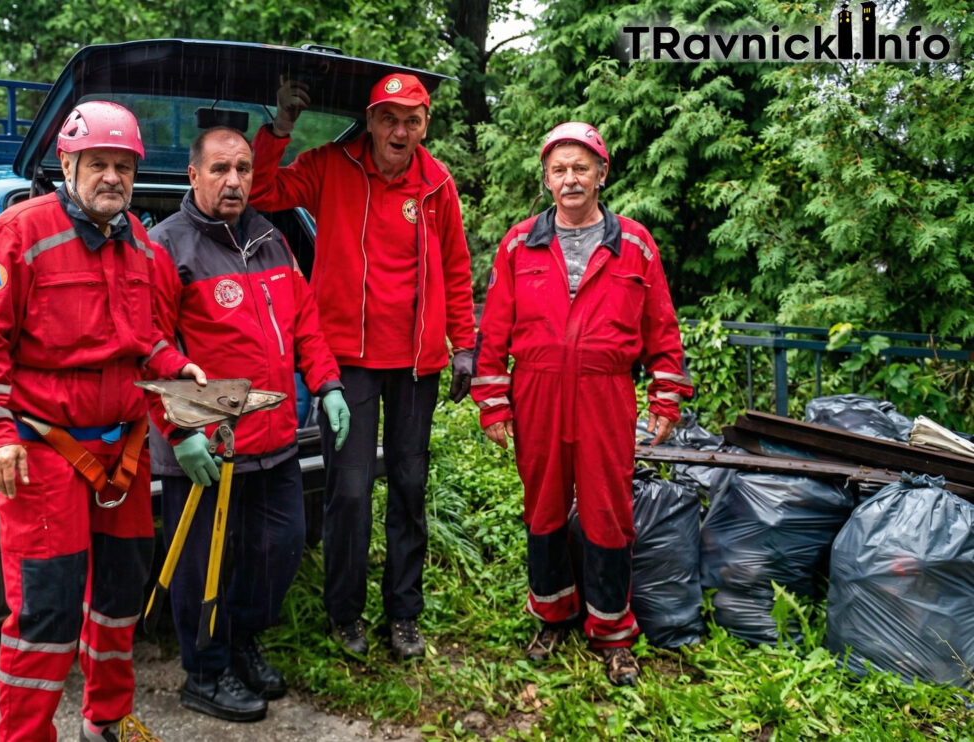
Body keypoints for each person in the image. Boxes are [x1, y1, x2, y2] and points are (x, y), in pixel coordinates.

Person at [0, 100, 200, 742]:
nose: (112, 176)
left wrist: (180, 371)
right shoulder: (19, 233)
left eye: (124, 165)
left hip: (122, 452)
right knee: (47, 610)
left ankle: (107, 723)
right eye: (99, 164)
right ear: (67, 163)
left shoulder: (140, 244)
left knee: (119, 601)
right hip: (44, 453)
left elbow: (144, 337)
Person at [249, 72, 476, 659]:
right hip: (347, 364)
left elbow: (456, 268)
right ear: (371, 121)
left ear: (425, 125)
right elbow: (260, 192)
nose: (400, 131)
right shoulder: (331, 165)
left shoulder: (437, 184)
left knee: (408, 486)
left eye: (412, 121)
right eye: (388, 119)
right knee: (348, 492)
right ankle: (344, 613)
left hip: (417, 367)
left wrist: (466, 344)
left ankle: (404, 614)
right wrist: (280, 127)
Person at [470, 122, 693, 686]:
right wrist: (494, 402)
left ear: (601, 173)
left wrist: (666, 396)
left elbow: (661, 327)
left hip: (605, 395)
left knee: (608, 514)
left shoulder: (636, 243)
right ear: (546, 179)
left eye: (580, 168)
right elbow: (493, 330)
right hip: (538, 393)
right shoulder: (519, 242)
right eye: (559, 169)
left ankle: (613, 633)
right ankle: (552, 613)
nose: (570, 179)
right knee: (543, 508)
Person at [147, 126, 350, 721]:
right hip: (208, 447)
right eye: (219, 169)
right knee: (201, 563)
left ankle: (239, 640)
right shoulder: (167, 247)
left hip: (275, 438)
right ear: (193, 175)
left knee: (280, 549)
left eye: (242, 168)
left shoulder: (271, 236)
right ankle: (204, 672)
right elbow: (151, 348)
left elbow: (306, 323)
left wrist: (329, 383)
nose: (234, 180)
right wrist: (181, 435)